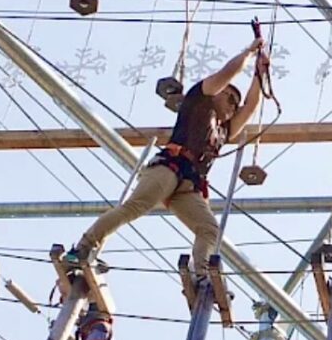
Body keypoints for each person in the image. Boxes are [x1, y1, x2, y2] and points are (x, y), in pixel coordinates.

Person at [67, 38, 268, 279]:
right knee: (135, 207)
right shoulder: (199, 101)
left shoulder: (224, 131)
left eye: (236, 103)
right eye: (230, 98)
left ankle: (200, 272)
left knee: (209, 229)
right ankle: (84, 246)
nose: (234, 106)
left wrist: (260, 72)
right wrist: (248, 53)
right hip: (169, 168)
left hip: (188, 185)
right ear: (218, 92)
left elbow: (251, 105)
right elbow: (226, 74)